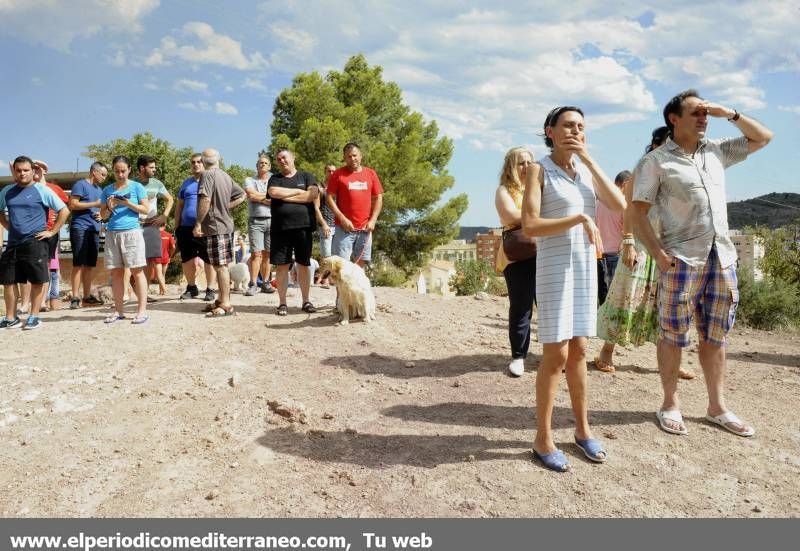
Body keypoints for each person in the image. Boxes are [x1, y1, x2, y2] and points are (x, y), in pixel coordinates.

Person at [631, 90, 772, 437]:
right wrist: (659, 256)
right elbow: (637, 212)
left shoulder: (716, 151)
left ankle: (716, 407)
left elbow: (763, 137)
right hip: (681, 259)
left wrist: (731, 113)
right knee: (673, 334)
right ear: (673, 119)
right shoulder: (656, 161)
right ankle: (670, 403)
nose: (704, 118)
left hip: (721, 258)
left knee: (716, 335)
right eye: (696, 112)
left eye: (706, 113)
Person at [521, 106, 626, 472]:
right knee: (556, 356)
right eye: (567, 125)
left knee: (581, 350)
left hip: (583, 269)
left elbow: (619, 204)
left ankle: (582, 431)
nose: (574, 131)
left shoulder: (584, 171)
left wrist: (589, 160)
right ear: (549, 131)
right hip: (553, 270)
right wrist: (579, 217)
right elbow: (531, 225)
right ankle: (543, 438)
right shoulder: (538, 169)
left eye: (581, 126)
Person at [594, 129, 696, 380]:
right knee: (624, 297)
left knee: (668, 305)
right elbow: (629, 209)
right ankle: (606, 352)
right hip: (640, 247)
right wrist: (628, 241)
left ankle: (672, 361)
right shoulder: (640, 173)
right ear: (654, 145)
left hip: (669, 249)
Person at [0, 156, 69, 330]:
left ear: (32, 171)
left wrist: (52, 231)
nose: (22, 173)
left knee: (37, 280)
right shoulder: (6, 191)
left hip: (35, 242)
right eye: (18, 170)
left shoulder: (42, 190)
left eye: (25, 170)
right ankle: (10, 318)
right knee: (8, 281)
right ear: (14, 172)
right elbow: (0, 212)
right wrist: (8, 226)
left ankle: (34, 316)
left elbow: (64, 210)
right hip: (13, 244)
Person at [495, 147, 537, 377]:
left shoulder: (539, 187)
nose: (527, 167)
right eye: (521, 163)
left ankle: (554, 355)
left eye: (530, 162)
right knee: (521, 307)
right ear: (511, 166)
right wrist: (537, 216)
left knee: (550, 305)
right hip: (518, 255)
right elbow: (510, 216)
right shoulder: (504, 190)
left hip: (545, 251)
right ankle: (518, 356)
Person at [193, 148, 246, 317]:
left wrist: (198, 223)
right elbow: (242, 195)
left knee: (220, 266)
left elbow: (205, 199)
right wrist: (225, 207)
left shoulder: (207, 175)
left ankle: (226, 305)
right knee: (220, 264)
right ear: (219, 159)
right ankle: (221, 299)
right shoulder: (225, 175)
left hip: (216, 227)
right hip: (225, 226)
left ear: (202, 160)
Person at [267, 148, 320, 315]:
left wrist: (285, 197)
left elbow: (310, 196)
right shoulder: (274, 178)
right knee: (282, 266)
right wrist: (298, 192)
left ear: (293, 157)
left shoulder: (306, 176)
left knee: (303, 264)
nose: (281, 161)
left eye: (284, 157)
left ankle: (306, 301)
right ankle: (282, 303)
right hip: (280, 229)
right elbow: (272, 192)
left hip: (303, 227)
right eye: (278, 159)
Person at [100, 155, 151, 324]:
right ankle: (119, 311)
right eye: (117, 171)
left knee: (137, 271)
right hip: (112, 233)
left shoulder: (137, 187)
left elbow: (146, 209)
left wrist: (128, 203)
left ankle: (142, 311)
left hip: (132, 232)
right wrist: (110, 206)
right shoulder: (107, 190)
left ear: (129, 169)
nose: (120, 174)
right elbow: (103, 215)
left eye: (123, 171)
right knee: (116, 273)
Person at [326, 143, 383, 267]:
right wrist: (342, 218)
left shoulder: (371, 174)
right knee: (341, 267)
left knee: (360, 267)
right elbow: (329, 198)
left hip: (365, 229)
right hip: (344, 228)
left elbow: (378, 198)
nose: (352, 159)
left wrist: (373, 220)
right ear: (344, 158)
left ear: (361, 156)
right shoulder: (338, 174)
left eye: (354, 155)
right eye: (348, 157)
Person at [175, 153, 217, 301]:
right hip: (186, 228)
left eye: (199, 162)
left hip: (206, 227)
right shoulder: (186, 183)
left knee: (208, 259)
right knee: (187, 259)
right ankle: (192, 288)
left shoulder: (211, 180)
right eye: (193, 162)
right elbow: (179, 206)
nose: (196, 164)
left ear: (204, 163)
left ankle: (210, 289)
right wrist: (177, 227)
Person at [68, 161, 107, 308]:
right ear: (94, 172)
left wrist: (102, 215)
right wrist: (94, 204)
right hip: (80, 228)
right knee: (78, 263)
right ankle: (75, 297)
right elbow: (72, 205)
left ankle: (86, 296)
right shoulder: (80, 185)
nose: (104, 177)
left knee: (90, 264)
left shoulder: (100, 190)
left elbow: (101, 209)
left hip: (94, 230)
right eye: (102, 174)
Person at [135, 155, 173, 300]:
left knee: (150, 260)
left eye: (155, 167)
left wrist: (164, 216)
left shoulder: (157, 183)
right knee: (135, 260)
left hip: (152, 226)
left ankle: (144, 293)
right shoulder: (132, 183)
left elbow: (170, 199)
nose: (154, 170)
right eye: (151, 167)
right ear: (142, 168)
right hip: (135, 226)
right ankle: (129, 292)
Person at [243, 155, 276, 296]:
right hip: (256, 220)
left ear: (269, 166)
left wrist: (259, 197)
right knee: (256, 254)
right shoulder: (249, 180)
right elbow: (251, 195)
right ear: (257, 166)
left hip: (273, 220)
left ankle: (266, 282)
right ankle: (253, 283)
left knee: (268, 254)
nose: (263, 164)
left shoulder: (275, 180)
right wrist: (267, 197)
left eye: (265, 163)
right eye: (260, 163)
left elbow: (277, 198)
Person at [315, 164, 336, 288]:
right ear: (325, 172)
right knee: (326, 253)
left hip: (338, 225)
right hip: (326, 225)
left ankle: (331, 278)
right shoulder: (320, 187)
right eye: (329, 171)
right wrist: (323, 224)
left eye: (334, 171)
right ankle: (325, 280)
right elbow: (316, 208)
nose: (332, 173)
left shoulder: (338, 187)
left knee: (335, 254)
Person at [156, 223, 175, 295]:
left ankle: (165, 290)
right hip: (166, 257)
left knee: (159, 274)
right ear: (165, 225)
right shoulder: (169, 235)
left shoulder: (154, 235)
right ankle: (161, 292)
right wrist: (170, 256)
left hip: (157, 257)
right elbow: (173, 247)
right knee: (162, 275)